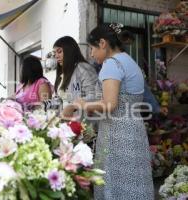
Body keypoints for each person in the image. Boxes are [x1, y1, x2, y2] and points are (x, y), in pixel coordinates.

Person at [64, 24, 154, 199]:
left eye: (92, 48)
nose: (91, 54)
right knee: (134, 182)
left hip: (117, 134)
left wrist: (82, 104)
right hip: (133, 129)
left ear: (103, 43)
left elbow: (110, 104)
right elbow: (121, 101)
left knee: (116, 184)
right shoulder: (129, 61)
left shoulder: (111, 64)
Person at [51, 36, 100, 118]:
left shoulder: (83, 68)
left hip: (83, 123)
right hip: (66, 122)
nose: (56, 56)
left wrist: (73, 106)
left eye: (59, 52)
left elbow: (94, 96)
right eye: (54, 53)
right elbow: (61, 99)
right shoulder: (64, 72)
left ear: (69, 51)